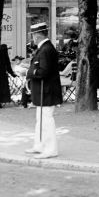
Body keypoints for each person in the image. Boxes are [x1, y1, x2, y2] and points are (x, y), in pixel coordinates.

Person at [25, 23, 62, 158]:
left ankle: (51, 149)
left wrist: (29, 72)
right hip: (43, 91)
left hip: (46, 91)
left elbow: (43, 71)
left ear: (38, 35)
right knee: (40, 120)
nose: (32, 38)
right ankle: (39, 145)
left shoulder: (46, 50)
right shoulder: (45, 48)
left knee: (46, 121)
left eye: (33, 35)